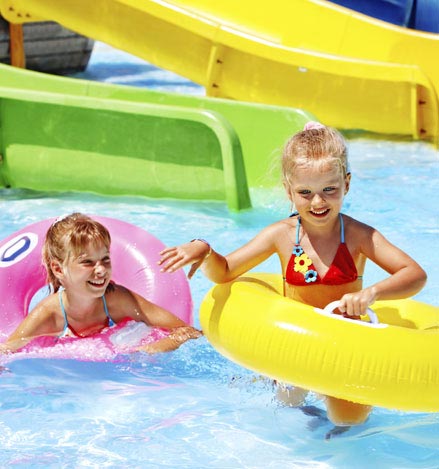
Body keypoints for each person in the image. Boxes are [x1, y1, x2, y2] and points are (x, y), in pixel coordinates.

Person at [158, 122, 427, 426]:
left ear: (347, 184)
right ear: (289, 191)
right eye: (305, 192)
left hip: (346, 350)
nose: (318, 202)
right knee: (288, 408)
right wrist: (204, 249)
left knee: (348, 424)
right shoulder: (281, 235)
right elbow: (226, 271)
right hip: (295, 348)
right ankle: (268, 384)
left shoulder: (358, 235)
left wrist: (372, 293)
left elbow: (415, 273)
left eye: (330, 190)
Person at [0, 213, 202, 354]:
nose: (101, 270)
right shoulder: (49, 314)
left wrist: (148, 351)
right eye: (87, 262)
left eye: (105, 259)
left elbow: (186, 331)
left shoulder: (118, 299)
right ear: (59, 269)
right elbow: (7, 352)